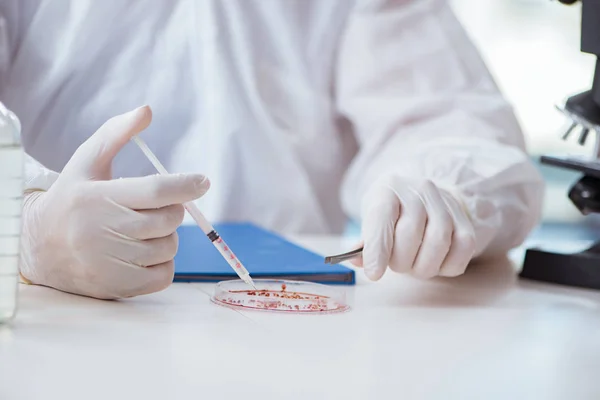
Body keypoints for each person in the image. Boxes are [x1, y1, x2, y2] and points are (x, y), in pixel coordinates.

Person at [3, 0, 544, 299]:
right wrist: (25, 223)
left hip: (291, 326)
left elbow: (457, 122)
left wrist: (440, 196)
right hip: (63, 310)